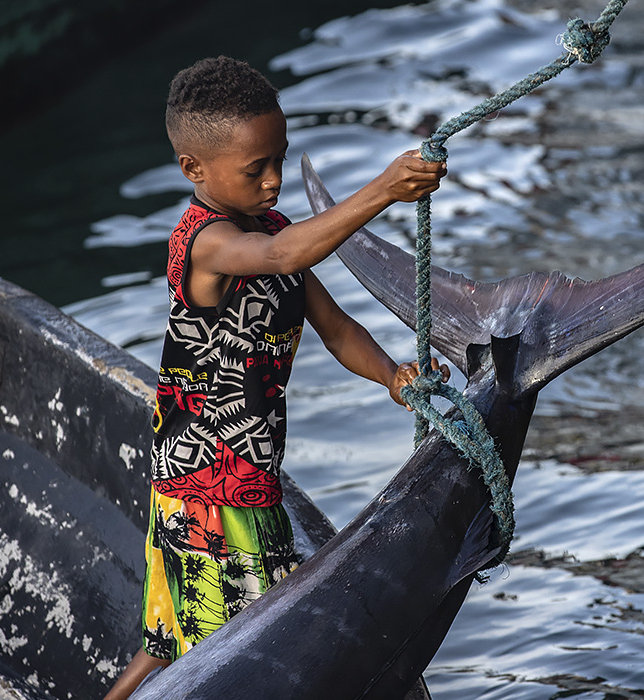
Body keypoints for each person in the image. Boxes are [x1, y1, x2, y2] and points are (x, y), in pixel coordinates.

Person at [104, 55, 449, 700]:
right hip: (207, 487)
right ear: (194, 170)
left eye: (280, 161)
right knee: (227, 652)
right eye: (255, 169)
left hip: (248, 473)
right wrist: (382, 189)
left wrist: (393, 376)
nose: (274, 182)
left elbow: (336, 328)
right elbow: (281, 257)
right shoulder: (204, 244)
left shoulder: (274, 227)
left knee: (169, 639)